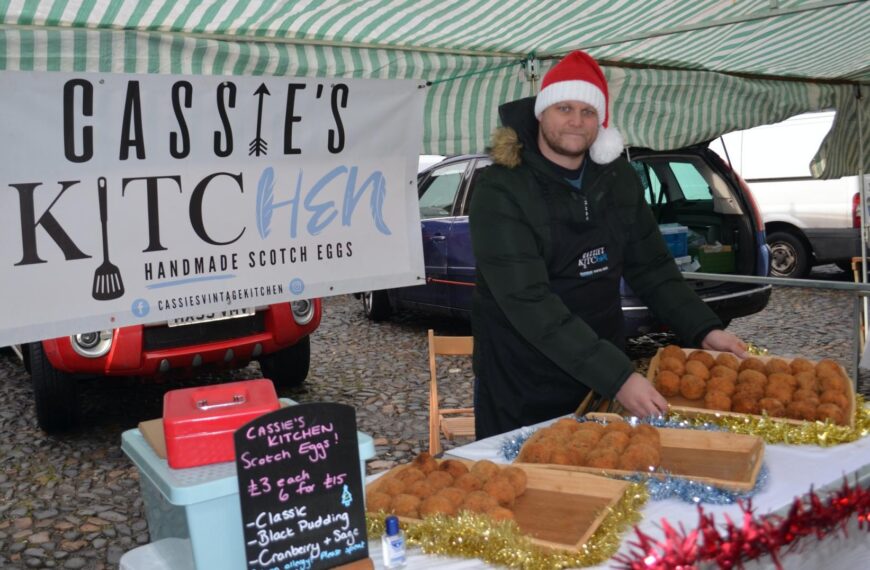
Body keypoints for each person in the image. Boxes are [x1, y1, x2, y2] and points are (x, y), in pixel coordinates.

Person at [468, 50, 748, 439]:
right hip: (521, 374)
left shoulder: (616, 177)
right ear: (541, 113)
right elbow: (529, 302)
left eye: (588, 111)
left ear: (601, 121)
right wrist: (618, 377)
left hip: (597, 361)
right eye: (564, 107)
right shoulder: (501, 189)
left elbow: (651, 266)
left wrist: (703, 329)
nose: (576, 121)